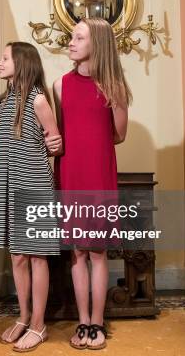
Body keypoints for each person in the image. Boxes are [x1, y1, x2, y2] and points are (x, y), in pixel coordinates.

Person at [52, 17, 131, 350]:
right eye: (71, 36)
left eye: (78, 37)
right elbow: (57, 132)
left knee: (97, 252)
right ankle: (82, 320)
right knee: (77, 252)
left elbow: (119, 135)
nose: (70, 42)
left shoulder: (114, 87)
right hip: (69, 176)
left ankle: (98, 322)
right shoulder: (59, 85)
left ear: (96, 44)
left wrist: (92, 145)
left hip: (98, 177)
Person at [0, 42, 63, 352]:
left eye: (6, 58)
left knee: (36, 257)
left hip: (33, 185)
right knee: (17, 256)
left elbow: (54, 143)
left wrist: (56, 143)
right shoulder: (5, 100)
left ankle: (39, 324)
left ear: (23, 63)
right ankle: (23, 317)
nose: (0, 62)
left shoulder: (38, 100)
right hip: (9, 184)